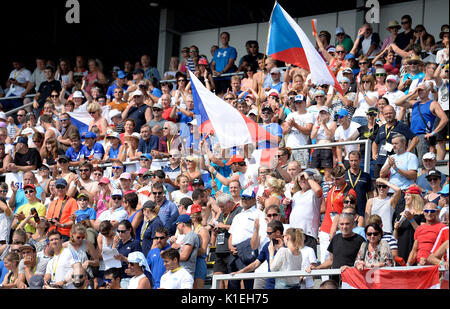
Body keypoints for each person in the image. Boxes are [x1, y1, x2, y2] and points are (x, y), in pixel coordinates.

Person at [395, 82, 448, 163]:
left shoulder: (433, 103)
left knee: (422, 163)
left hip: (423, 136)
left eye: (421, 90)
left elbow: (444, 119)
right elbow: (397, 102)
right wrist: (412, 93)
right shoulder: (415, 103)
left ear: (428, 91)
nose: (419, 92)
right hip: (412, 137)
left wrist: (433, 133)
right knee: (411, 163)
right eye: (418, 90)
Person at [307, 213, 365, 284]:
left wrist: (351, 268)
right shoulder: (335, 238)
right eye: (342, 224)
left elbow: (363, 262)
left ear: (353, 224)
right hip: (335, 280)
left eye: (347, 224)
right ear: (338, 225)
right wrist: (316, 268)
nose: (344, 227)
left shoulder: (360, 240)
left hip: (353, 281)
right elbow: (331, 260)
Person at [318, 165, 356, 271]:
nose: (335, 181)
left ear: (344, 177)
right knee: (324, 259)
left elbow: (351, 211)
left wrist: (336, 228)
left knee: (337, 260)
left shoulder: (350, 191)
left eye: (338, 179)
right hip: (325, 227)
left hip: (340, 229)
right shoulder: (331, 188)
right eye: (333, 179)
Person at [372, 105, 418, 178]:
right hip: (380, 160)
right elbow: (375, 142)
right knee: (379, 183)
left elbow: (415, 139)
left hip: (395, 161)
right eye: (386, 114)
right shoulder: (382, 128)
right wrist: (374, 154)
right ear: (383, 115)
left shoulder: (401, 126)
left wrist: (407, 151)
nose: (388, 115)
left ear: (395, 113)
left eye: (390, 113)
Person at [211, 193, 242, 289]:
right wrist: (216, 231)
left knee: (230, 280)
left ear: (229, 202)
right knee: (217, 278)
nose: (221, 209)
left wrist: (224, 226)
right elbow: (220, 225)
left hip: (231, 251)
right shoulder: (223, 212)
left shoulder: (239, 211)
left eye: (222, 207)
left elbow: (240, 228)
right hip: (220, 250)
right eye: (220, 207)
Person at [289, 170, 323, 254]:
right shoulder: (296, 195)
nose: (302, 180)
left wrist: (308, 177)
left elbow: (318, 190)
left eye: (305, 179)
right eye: (300, 178)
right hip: (294, 233)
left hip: (308, 234)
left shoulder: (313, 193)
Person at [393, 186, 426, 262]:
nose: (405, 197)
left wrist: (411, 220)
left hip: (414, 248)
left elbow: (422, 233)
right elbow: (396, 237)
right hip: (401, 248)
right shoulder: (401, 214)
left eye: (408, 195)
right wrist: (395, 229)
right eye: (405, 195)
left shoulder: (422, 214)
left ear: (415, 197)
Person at [345, 151, 374, 217]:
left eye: (355, 160)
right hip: (347, 210)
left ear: (360, 160)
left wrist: (370, 209)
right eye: (351, 160)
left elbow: (370, 194)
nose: (353, 163)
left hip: (362, 211)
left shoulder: (366, 176)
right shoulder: (344, 175)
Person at [188, 204, 210, 289]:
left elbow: (203, 250)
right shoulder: (193, 230)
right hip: (191, 261)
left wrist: (187, 251)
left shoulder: (203, 230)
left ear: (193, 218)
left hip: (199, 262)